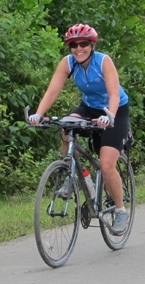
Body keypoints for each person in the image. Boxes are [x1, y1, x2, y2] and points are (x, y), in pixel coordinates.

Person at [27, 23, 132, 235]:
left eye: (83, 43)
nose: (78, 48)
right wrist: (38, 113)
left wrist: (109, 116)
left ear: (92, 45)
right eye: (73, 45)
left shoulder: (103, 61)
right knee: (65, 126)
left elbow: (113, 94)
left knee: (106, 164)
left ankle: (120, 211)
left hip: (115, 110)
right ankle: (72, 170)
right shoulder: (68, 63)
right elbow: (53, 90)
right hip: (89, 108)